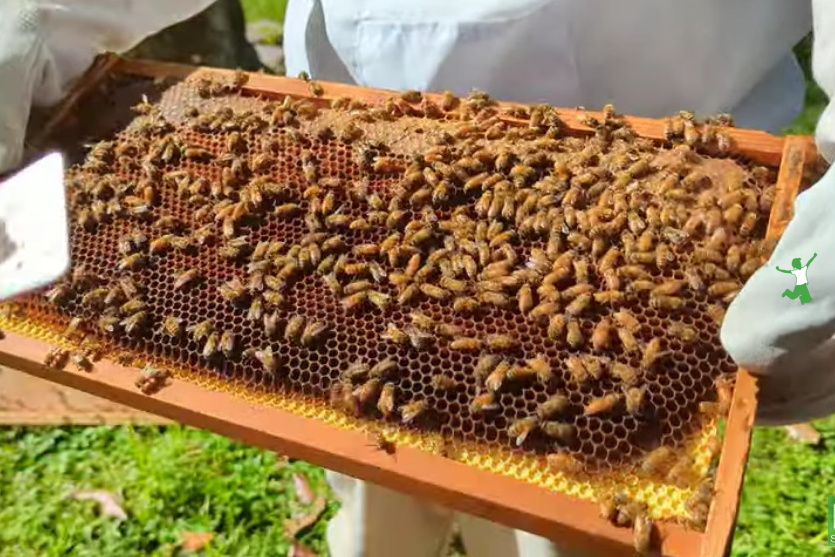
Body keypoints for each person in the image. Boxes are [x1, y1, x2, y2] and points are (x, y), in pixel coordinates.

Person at [0, 0, 831, 555]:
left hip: (667, 207)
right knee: (370, 471)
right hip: (340, 149)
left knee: (589, 514)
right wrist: (40, 14)